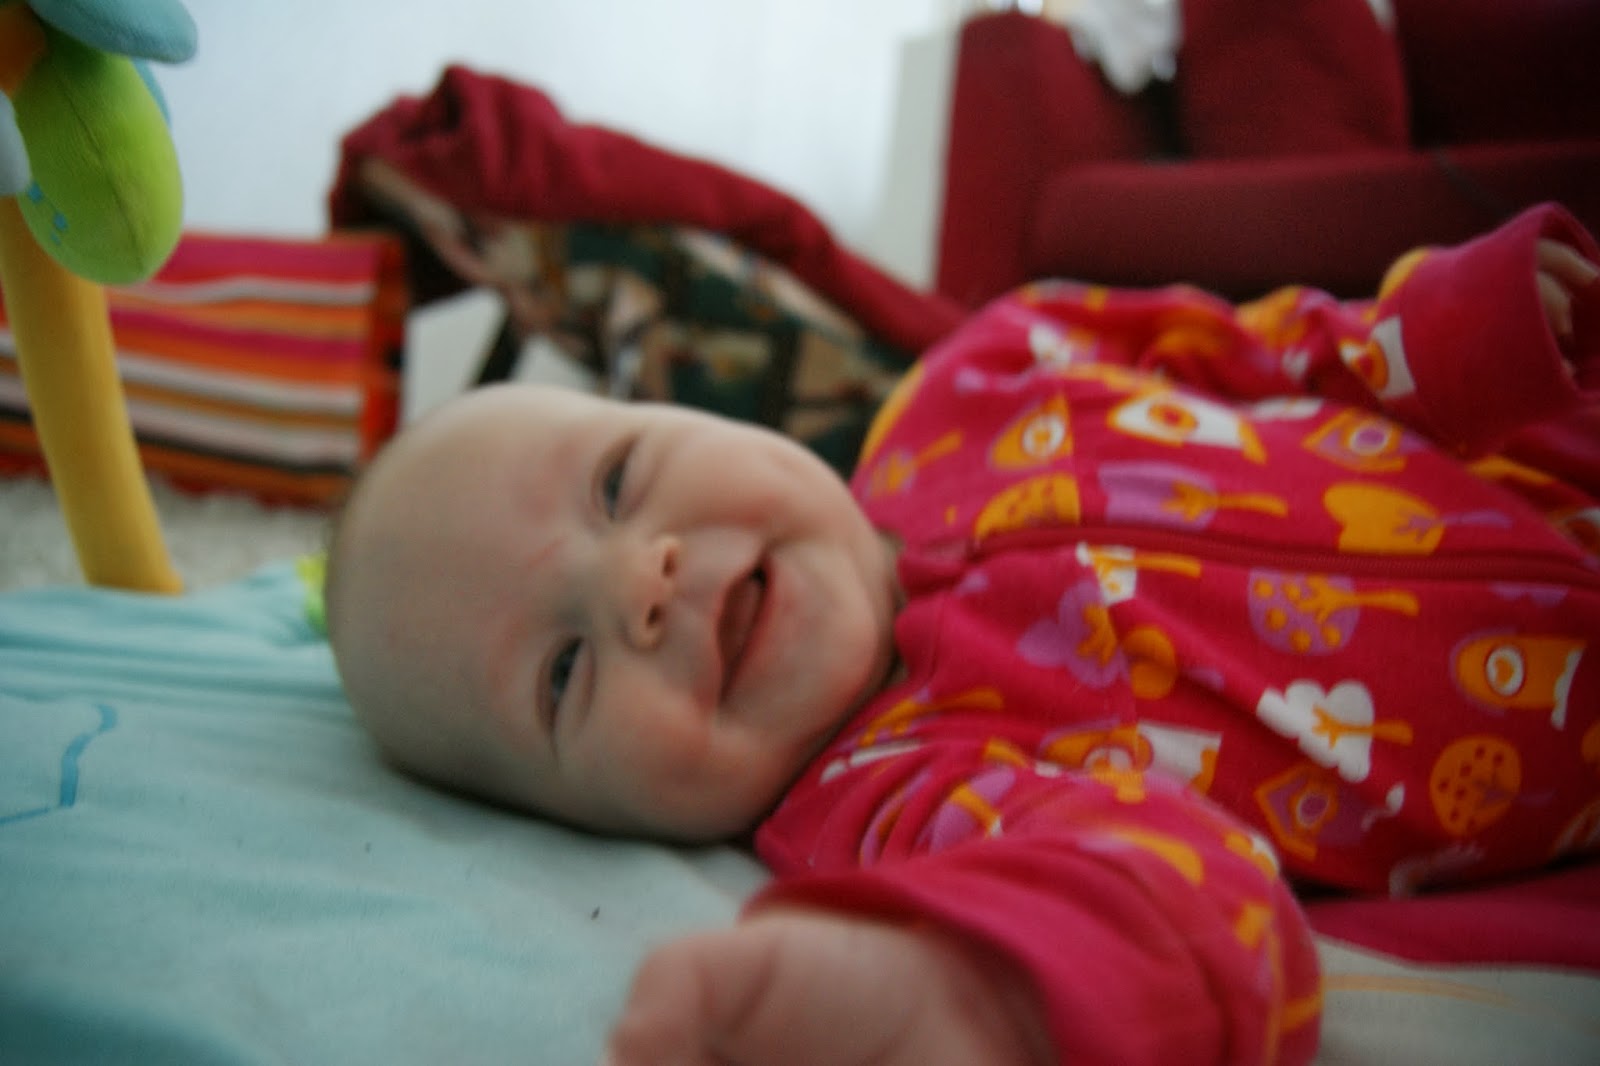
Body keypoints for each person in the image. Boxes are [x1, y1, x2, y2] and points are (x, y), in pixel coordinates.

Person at [324, 203, 1600, 1066]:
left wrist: (1426, 339)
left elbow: (1227, 350)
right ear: (581, 821)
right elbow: (1154, 887)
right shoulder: (896, 804)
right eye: (562, 672)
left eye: (616, 482)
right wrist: (977, 998)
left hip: (1543, 456)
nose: (634, 585)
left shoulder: (975, 377)